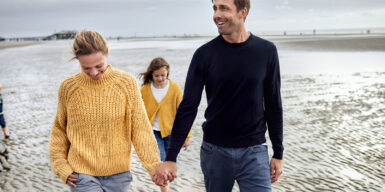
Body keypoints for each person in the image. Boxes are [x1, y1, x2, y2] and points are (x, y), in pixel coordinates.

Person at [152, 0, 284, 191]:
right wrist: (171, 157)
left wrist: (278, 154)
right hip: (215, 152)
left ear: (242, 12)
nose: (216, 14)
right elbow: (188, 107)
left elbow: (273, 105)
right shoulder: (204, 55)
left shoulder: (266, 51)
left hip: (254, 152)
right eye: (215, 8)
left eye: (224, 8)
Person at [49, 29, 162, 192]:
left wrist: (153, 166)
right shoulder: (68, 87)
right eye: (86, 68)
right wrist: (61, 166)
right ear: (77, 61)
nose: (94, 73)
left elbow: (140, 128)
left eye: (99, 66)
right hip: (81, 174)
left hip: (119, 175)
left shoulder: (126, 83)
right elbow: (59, 130)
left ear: (106, 53)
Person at [140, 57, 192, 192]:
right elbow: (138, 113)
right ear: (151, 74)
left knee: (169, 165)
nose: (160, 78)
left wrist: (187, 137)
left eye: (163, 75)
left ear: (167, 73)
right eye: (157, 75)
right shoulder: (144, 90)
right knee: (161, 162)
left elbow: (184, 114)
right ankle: (165, 190)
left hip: (172, 133)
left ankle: (165, 188)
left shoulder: (174, 88)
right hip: (153, 132)